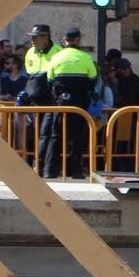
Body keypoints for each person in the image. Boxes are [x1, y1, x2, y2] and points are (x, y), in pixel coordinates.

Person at [41, 29, 98, 179]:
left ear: (64, 40)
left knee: (55, 137)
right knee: (77, 137)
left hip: (60, 103)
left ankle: (49, 171)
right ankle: (76, 172)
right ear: (78, 40)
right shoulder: (86, 57)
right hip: (79, 105)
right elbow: (93, 79)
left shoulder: (56, 57)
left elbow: (49, 81)